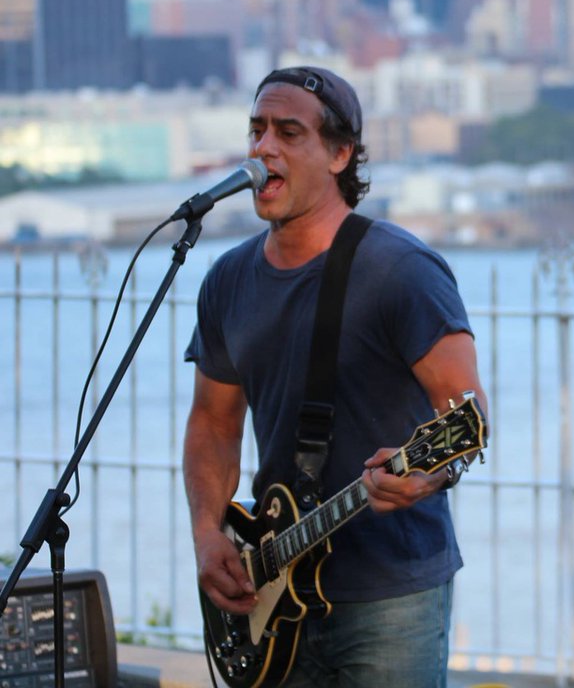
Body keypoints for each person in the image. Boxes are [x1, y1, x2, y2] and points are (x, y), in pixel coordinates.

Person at [182, 65, 487, 687]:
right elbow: (213, 422)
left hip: (389, 594)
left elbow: (468, 416)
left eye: (289, 133)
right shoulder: (228, 280)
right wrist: (208, 534)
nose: (263, 147)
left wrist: (428, 475)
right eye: (257, 129)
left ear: (340, 154)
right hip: (272, 588)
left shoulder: (402, 271)